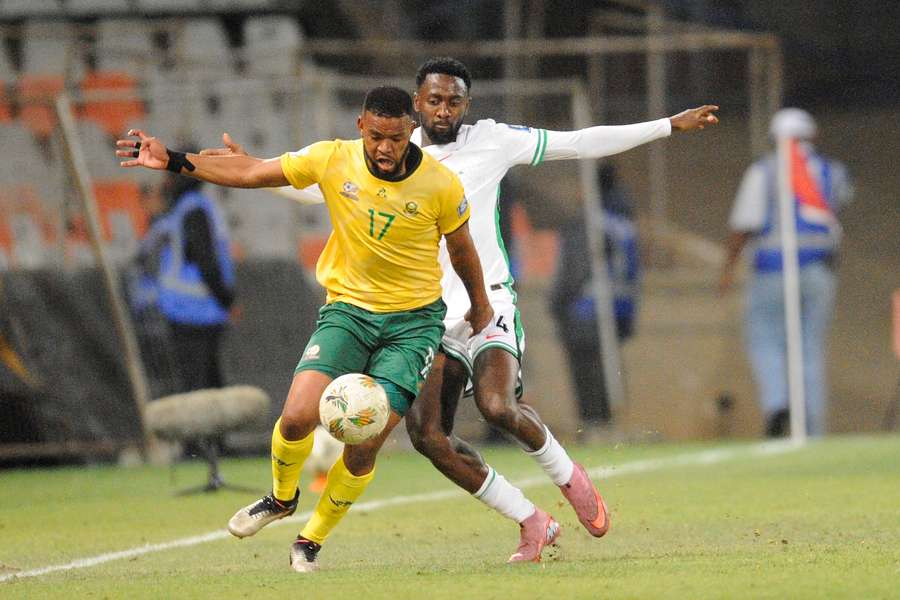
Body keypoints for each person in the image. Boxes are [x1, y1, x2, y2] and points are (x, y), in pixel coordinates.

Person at [201, 57, 719, 562]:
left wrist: (667, 126)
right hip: (424, 317)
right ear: (417, 102)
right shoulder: (389, 150)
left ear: (466, 104)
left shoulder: (493, 140)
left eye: (453, 101)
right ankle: (532, 521)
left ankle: (569, 477)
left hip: (487, 299)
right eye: (433, 100)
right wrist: (252, 169)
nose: (443, 110)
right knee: (429, 436)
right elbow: (321, 191)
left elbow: (578, 143)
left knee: (497, 407)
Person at [115, 86, 494, 573]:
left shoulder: (440, 184)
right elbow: (252, 171)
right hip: (348, 313)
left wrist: (480, 304)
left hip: (412, 325)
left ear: (410, 133)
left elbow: (462, 250)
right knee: (295, 417)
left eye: (396, 138)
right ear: (360, 127)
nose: (384, 148)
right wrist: (171, 159)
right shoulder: (332, 160)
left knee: (364, 446)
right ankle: (280, 498)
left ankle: (309, 541)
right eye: (376, 136)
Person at [719, 108, 853, 437]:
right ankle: (812, 425)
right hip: (819, 270)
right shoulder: (832, 172)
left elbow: (743, 224)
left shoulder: (765, 171)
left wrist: (728, 269)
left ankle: (778, 407)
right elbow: (842, 202)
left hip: (771, 270)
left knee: (765, 340)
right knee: (810, 348)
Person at [549, 163, 639, 435]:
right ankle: (608, 423)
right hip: (619, 307)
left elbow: (575, 269)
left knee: (587, 374)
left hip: (586, 308)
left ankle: (594, 428)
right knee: (607, 369)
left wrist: (556, 303)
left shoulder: (588, 222)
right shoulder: (623, 221)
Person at [136, 167, 235, 393]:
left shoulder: (183, 210)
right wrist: (226, 300)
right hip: (197, 310)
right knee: (204, 386)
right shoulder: (195, 209)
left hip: (185, 309)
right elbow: (207, 261)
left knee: (199, 384)